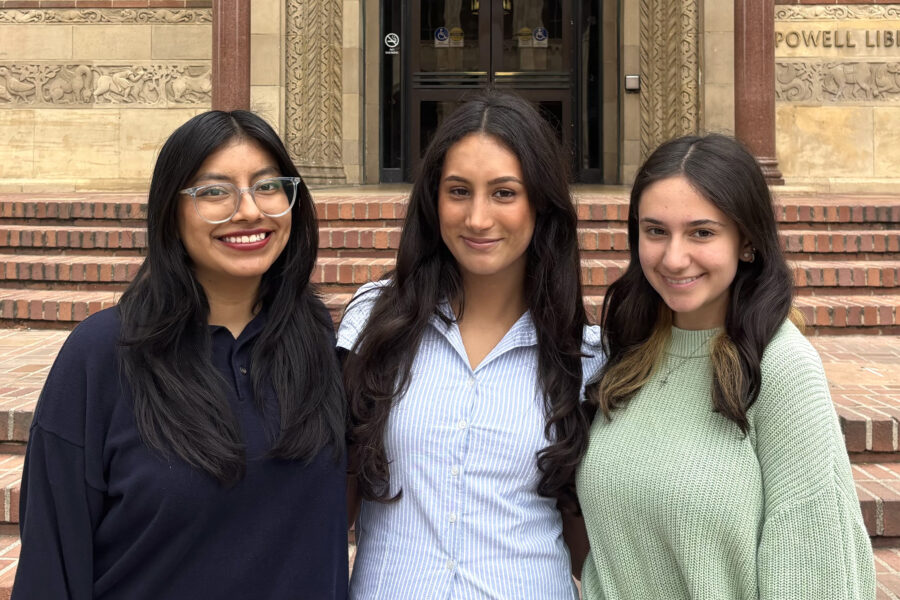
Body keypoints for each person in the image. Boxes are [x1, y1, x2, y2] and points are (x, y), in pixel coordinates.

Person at [12, 111, 348, 599]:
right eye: (214, 192)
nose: (250, 210)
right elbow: (52, 562)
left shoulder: (317, 342)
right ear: (171, 210)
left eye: (268, 186)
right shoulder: (105, 355)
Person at [577, 134, 875, 599]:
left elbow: (817, 577)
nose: (673, 258)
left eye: (702, 232)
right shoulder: (627, 353)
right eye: (656, 231)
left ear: (747, 242)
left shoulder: (781, 368)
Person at [339, 92, 603, 599]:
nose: (478, 218)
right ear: (433, 199)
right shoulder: (374, 324)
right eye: (458, 191)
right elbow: (333, 500)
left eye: (504, 193)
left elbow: (587, 540)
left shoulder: (584, 358)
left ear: (540, 202)